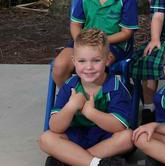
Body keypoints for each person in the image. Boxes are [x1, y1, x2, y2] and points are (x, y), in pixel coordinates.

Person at [39, 29, 133, 166]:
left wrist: (91, 113)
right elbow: (55, 127)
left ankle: (71, 159)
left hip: (104, 138)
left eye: (96, 60)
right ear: (74, 61)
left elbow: (119, 126)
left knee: (128, 137)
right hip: (75, 137)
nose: (89, 67)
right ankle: (96, 163)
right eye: (82, 61)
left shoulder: (116, 88)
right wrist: (71, 106)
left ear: (107, 60)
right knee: (46, 138)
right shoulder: (69, 86)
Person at [52, 0, 139, 88]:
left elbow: (126, 33)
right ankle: (73, 98)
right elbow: (75, 25)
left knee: (97, 66)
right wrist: (81, 41)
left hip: (113, 45)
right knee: (60, 65)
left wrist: (99, 41)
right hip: (84, 42)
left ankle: (101, 99)